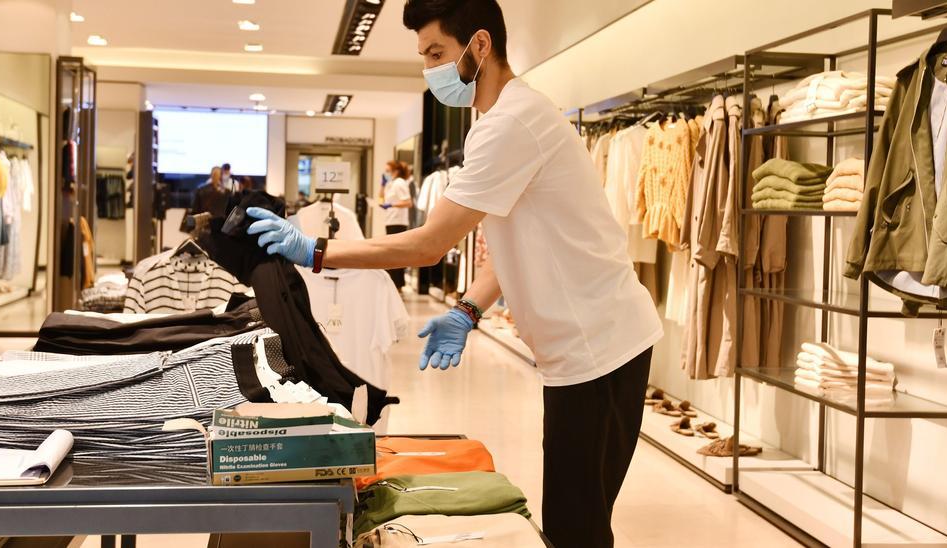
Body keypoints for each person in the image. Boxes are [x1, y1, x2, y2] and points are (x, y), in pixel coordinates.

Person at [244, 1, 661, 546]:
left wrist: (318, 251)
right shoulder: (503, 119)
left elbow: (429, 245)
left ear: (480, 46)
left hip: (599, 347)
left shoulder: (512, 122)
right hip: (588, 343)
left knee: (574, 525)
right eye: (423, 57)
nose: (429, 69)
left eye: (437, 53)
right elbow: (518, 244)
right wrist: (468, 308)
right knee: (575, 516)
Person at [380, 160, 414, 289]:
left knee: (396, 253)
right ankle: (394, 283)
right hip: (390, 221)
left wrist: (392, 205)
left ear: (396, 171)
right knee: (391, 253)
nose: (386, 173)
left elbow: (408, 202)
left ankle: (397, 284)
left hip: (398, 222)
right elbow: (381, 198)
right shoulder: (391, 183)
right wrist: (382, 185)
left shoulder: (400, 183)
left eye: (388, 171)